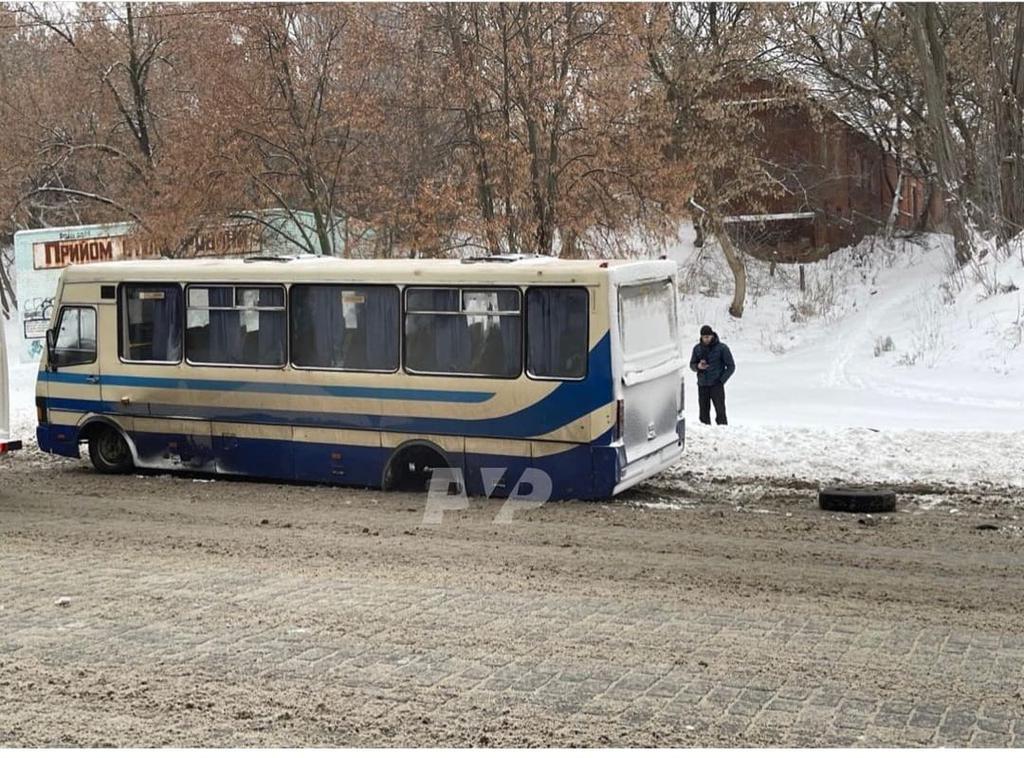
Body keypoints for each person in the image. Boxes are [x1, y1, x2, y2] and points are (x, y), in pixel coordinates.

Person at [689, 324, 735, 425]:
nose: (706, 339)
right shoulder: (697, 349)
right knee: (703, 415)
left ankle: (723, 432)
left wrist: (721, 380)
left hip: (716, 385)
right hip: (702, 385)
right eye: (704, 337)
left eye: (708, 337)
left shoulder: (722, 348)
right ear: (701, 337)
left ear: (712, 335)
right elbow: (691, 365)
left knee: (720, 413)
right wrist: (698, 367)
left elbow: (731, 366)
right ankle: (705, 434)